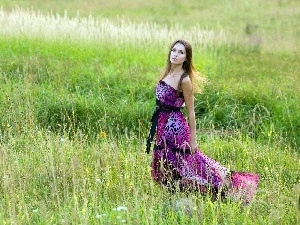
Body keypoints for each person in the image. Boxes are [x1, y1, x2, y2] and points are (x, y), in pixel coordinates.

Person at [146, 39, 259, 204]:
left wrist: (193, 140)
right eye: (174, 50)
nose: (175, 54)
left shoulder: (184, 80)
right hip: (162, 127)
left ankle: (235, 187)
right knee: (164, 165)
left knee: (193, 166)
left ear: (186, 58)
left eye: (180, 52)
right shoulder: (167, 73)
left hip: (176, 129)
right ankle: (175, 199)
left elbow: (191, 112)